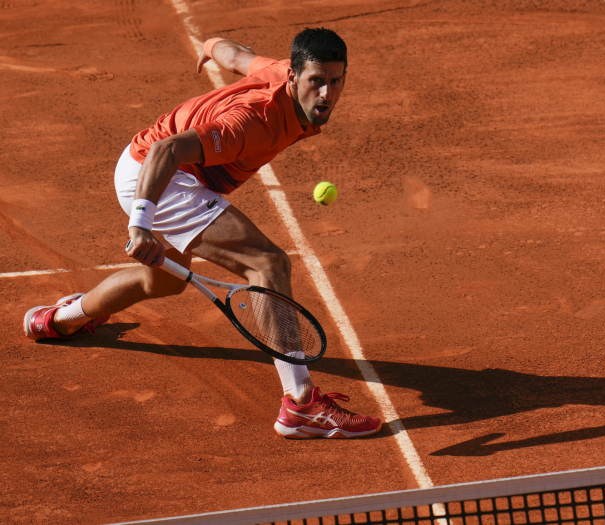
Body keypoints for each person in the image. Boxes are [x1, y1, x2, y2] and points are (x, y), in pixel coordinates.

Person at [22, 28, 382, 440]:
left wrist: (210, 45)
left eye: (336, 81)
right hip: (159, 176)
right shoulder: (253, 122)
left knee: (159, 281)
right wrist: (140, 223)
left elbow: (237, 57)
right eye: (317, 81)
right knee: (267, 263)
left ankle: (58, 320)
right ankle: (301, 405)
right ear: (294, 78)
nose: (326, 93)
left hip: (148, 165)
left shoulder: (279, 71)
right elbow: (166, 151)